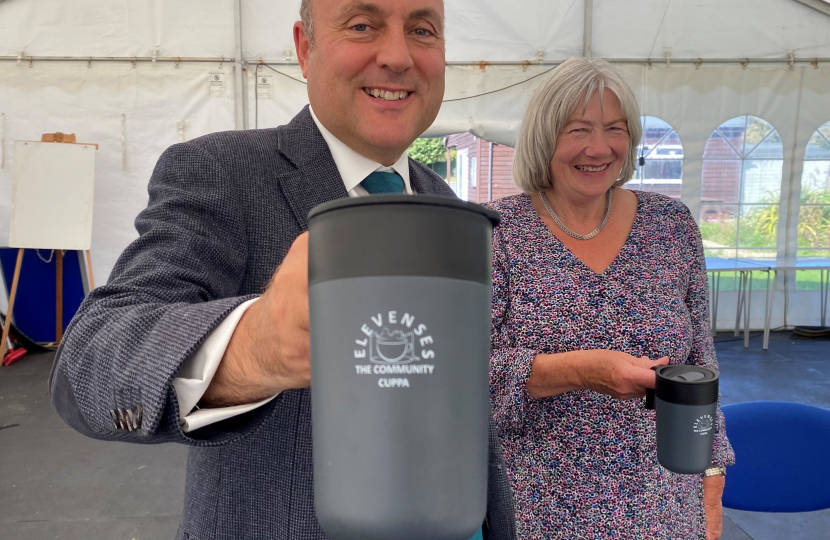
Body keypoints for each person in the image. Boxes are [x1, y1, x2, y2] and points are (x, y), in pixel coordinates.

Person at [49, 1, 516, 538]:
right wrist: (255, 346)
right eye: (363, 25)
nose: (397, 55)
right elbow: (89, 362)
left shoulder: (442, 200)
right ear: (305, 47)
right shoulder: (221, 172)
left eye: (422, 29)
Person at [484, 57, 734, 540]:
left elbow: (702, 362)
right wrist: (579, 371)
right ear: (543, 137)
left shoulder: (671, 226)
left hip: (664, 509)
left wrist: (711, 477)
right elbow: (464, 378)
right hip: (537, 511)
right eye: (578, 130)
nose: (599, 148)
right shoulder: (495, 231)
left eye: (615, 129)